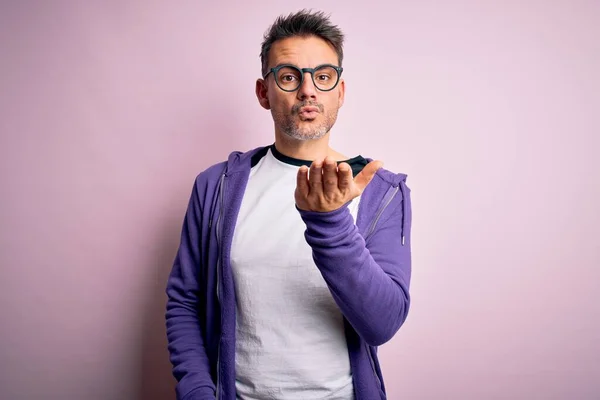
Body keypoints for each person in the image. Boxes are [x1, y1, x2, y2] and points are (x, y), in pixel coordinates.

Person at [165, 9, 412, 400]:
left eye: (323, 76)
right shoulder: (216, 185)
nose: (308, 90)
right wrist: (197, 392)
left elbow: (382, 324)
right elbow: (185, 301)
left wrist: (328, 221)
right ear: (264, 93)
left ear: (340, 92)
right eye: (288, 76)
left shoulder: (379, 191)